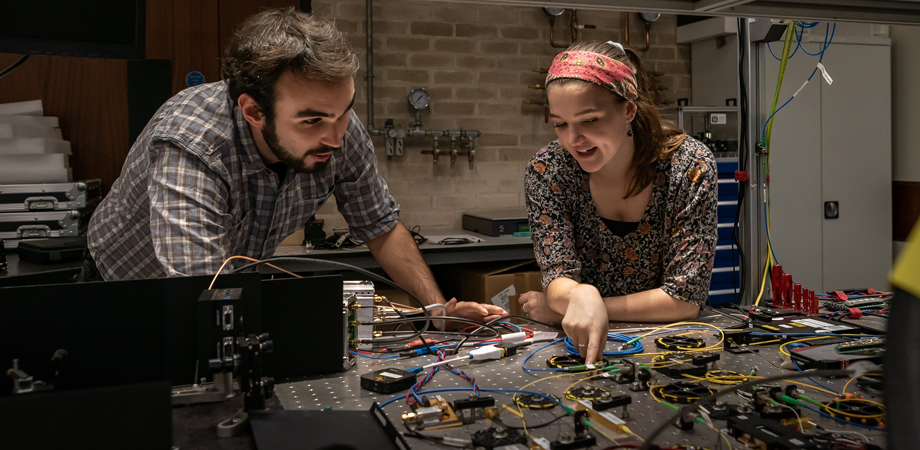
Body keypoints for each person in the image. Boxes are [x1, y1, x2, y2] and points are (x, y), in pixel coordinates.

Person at [82, 8, 505, 325]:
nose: (336, 137)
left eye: (343, 113)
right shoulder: (191, 145)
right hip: (125, 292)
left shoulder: (338, 124)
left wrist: (435, 311)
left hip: (220, 288)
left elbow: (379, 226)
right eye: (312, 120)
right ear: (253, 111)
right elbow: (205, 289)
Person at [518, 41, 718, 364]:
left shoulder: (690, 168)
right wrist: (573, 296)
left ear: (628, 109)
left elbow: (684, 300)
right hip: (587, 350)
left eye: (590, 120)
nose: (573, 139)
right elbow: (558, 278)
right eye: (560, 124)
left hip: (673, 350)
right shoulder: (548, 171)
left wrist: (576, 309)